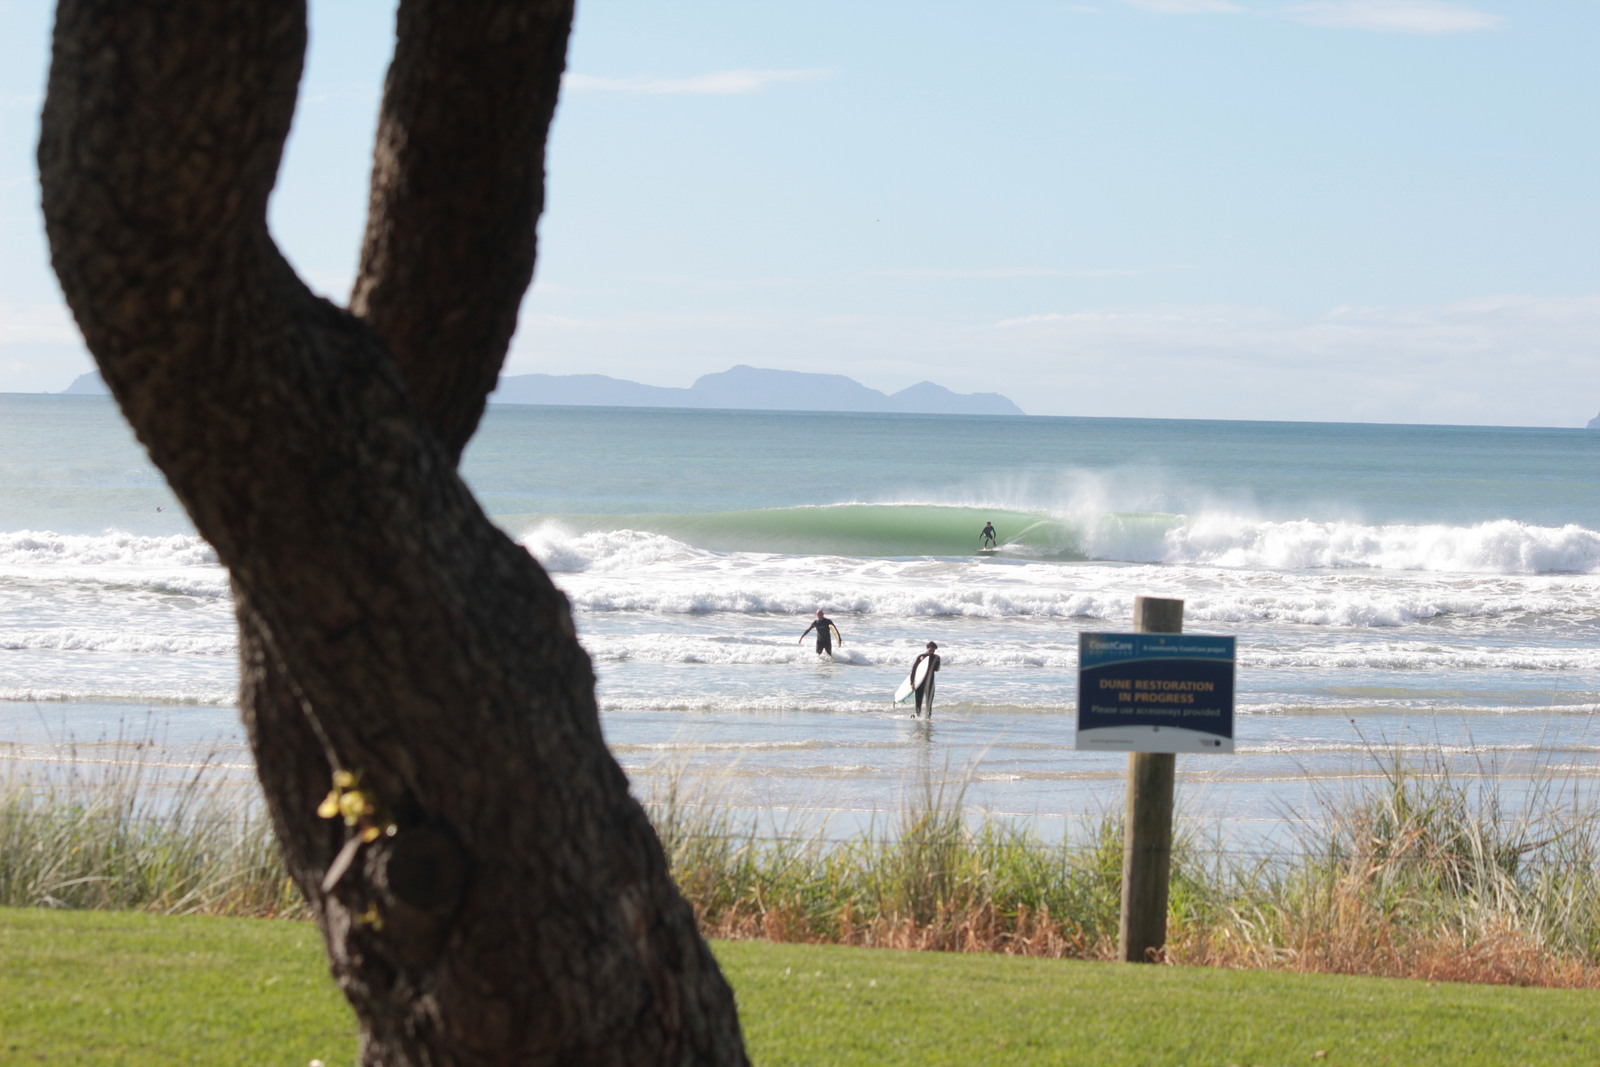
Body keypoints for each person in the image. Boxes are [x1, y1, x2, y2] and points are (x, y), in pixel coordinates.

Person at [911, 641, 940, 717]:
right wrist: (912, 683)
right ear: (927, 648)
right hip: (919, 683)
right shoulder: (921, 656)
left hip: (930, 683)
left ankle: (928, 719)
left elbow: (937, 669)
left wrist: (935, 661)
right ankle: (918, 718)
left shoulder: (936, 657)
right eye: (930, 650)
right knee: (918, 703)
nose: (932, 652)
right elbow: (914, 670)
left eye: (933, 650)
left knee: (929, 704)